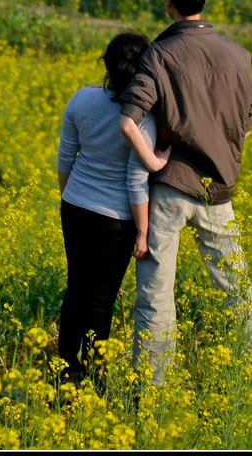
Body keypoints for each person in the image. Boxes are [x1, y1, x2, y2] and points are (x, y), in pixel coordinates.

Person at [118, 0, 252, 387]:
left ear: (167, 1)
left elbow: (128, 119)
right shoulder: (238, 56)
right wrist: (221, 148)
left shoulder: (160, 55)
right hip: (218, 192)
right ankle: (250, 369)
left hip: (170, 191)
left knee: (156, 296)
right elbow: (248, 122)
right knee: (236, 289)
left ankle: (154, 388)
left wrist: (154, 159)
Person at [56, 33, 170, 388]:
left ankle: (65, 371)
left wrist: (71, 197)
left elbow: (65, 158)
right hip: (116, 220)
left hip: (75, 207)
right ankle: (93, 380)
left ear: (105, 64)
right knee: (101, 299)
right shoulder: (144, 118)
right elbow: (136, 180)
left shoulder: (82, 99)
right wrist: (141, 231)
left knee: (76, 288)